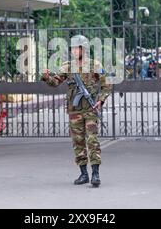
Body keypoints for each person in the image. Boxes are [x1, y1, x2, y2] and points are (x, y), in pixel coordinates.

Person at [42, 35, 112, 187]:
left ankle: (95, 173)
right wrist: (47, 77)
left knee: (92, 140)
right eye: (72, 48)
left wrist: (101, 99)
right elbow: (55, 82)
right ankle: (83, 174)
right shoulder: (67, 67)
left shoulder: (95, 65)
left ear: (84, 49)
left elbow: (106, 84)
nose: (73, 51)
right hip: (74, 111)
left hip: (90, 109)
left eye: (76, 48)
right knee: (78, 142)